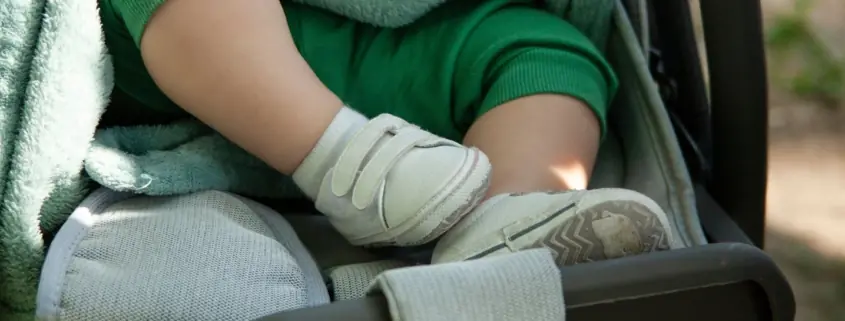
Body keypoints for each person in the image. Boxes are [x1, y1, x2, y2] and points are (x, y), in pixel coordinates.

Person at [98, 0, 675, 266]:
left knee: (547, 56)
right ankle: (343, 161)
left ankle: (506, 218)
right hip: (180, 48)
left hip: (415, 34)